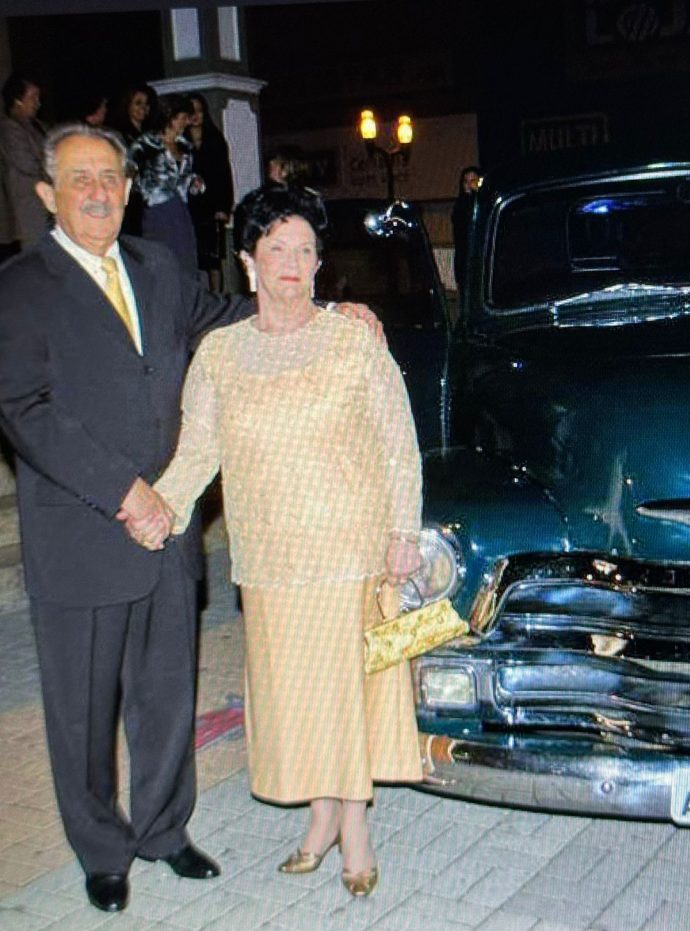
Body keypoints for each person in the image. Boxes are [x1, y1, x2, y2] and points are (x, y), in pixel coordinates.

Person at [0, 122, 380, 914]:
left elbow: (232, 316)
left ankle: (166, 830)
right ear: (47, 196)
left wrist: (326, 306)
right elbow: (24, 410)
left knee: (166, 691)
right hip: (83, 532)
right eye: (80, 179)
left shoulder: (158, 266)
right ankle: (102, 850)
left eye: (110, 176)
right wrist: (127, 489)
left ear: (130, 190)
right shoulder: (19, 286)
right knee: (82, 710)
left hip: (169, 535)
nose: (99, 191)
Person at [149, 184, 424, 898]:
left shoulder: (352, 337)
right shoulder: (220, 353)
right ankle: (320, 816)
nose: (293, 264)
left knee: (347, 692)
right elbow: (197, 448)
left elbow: (399, 440)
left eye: (305, 250)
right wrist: (161, 507)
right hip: (271, 559)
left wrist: (403, 530)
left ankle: (353, 826)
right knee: (299, 697)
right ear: (248, 262)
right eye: (277, 249)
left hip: (352, 551)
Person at [128, 94, 200, 275]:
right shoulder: (145, 145)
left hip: (181, 210)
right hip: (157, 211)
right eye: (182, 117)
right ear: (169, 117)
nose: (186, 122)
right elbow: (129, 175)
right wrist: (148, 191)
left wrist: (194, 182)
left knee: (185, 260)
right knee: (162, 261)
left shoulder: (185, 147)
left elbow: (184, 178)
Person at [185, 92, 233, 289]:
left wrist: (224, 207)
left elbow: (224, 175)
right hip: (189, 208)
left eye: (199, 111)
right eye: (191, 111)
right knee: (194, 258)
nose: (196, 115)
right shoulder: (181, 142)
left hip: (212, 209)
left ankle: (217, 299)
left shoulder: (215, 139)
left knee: (213, 260)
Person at [0, 74, 48, 247]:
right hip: (29, 210)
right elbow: (27, 164)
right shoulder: (9, 129)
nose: (38, 103)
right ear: (17, 100)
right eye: (33, 97)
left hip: (46, 206)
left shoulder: (38, 125)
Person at [450, 165, 481, 291]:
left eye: (472, 181)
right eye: (465, 181)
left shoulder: (481, 203)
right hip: (464, 257)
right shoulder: (460, 205)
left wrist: (477, 193)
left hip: (480, 257)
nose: (468, 185)